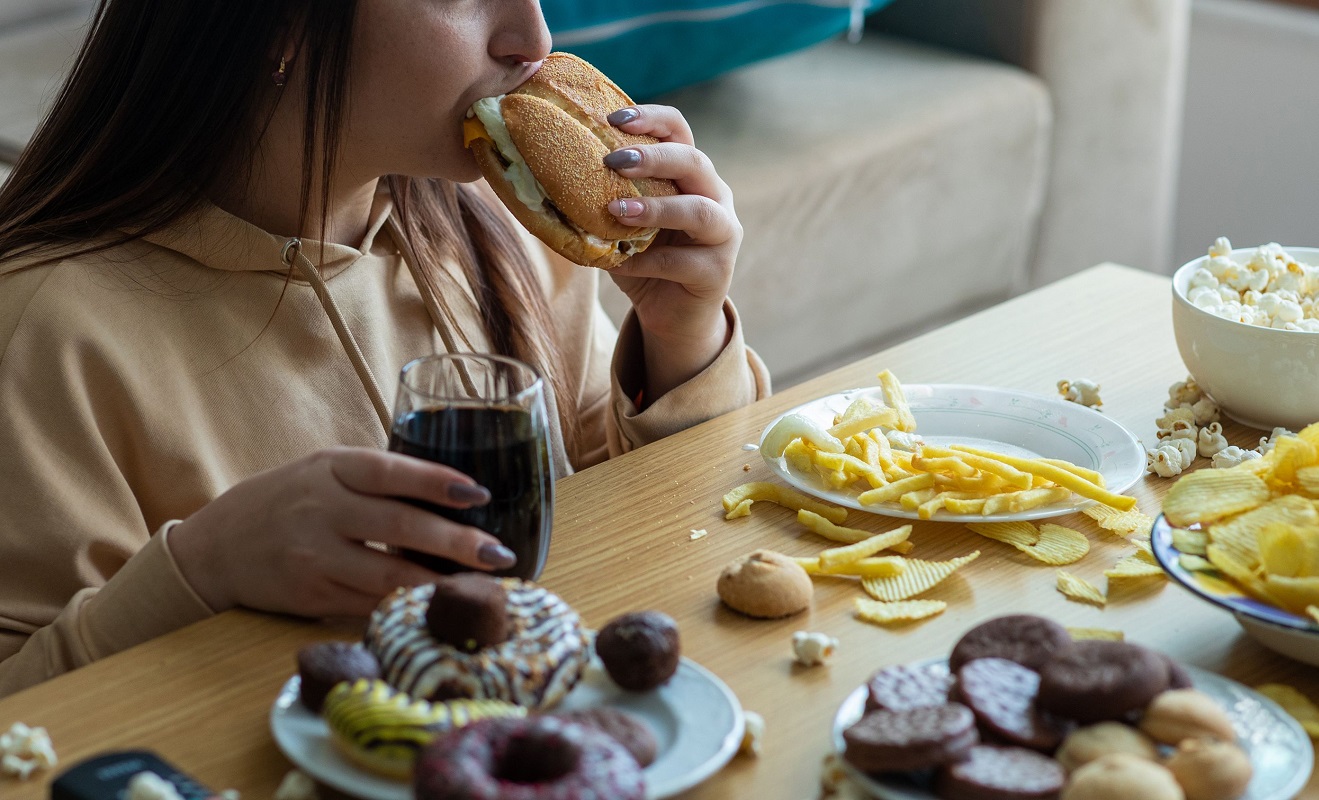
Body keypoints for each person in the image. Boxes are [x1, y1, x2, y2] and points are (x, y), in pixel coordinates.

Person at [0, 0, 769, 698]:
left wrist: (682, 339)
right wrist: (200, 569)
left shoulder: (503, 224)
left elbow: (655, 540)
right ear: (282, 24)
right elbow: (20, 716)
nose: (532, 40)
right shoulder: (43, 330)